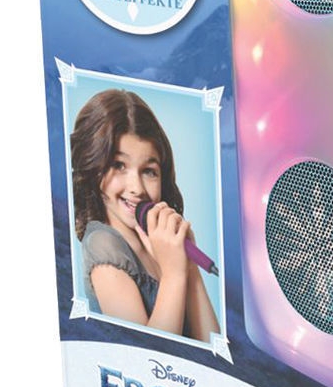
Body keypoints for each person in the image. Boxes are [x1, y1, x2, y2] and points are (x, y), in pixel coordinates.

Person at [69, 89, 220, 342]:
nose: (137, 188)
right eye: (119, 166)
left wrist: (189, 264)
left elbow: (212, 343)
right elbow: (149, 353)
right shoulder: (104, 246)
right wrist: (173, 274)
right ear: (93, 168)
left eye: (149, 171)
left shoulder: (158, 240)